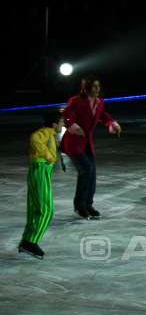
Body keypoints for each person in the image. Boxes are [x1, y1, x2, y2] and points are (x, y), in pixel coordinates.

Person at [60, 76, 122, 219]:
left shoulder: (99, 103)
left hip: (87, 143)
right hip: (73, 142)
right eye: (94, 86)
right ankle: (80, 206)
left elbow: (104, 116)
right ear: (86, 88)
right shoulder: (76, 101)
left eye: (98, 86)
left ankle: (88, 204)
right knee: (86, 170)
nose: (97, 89)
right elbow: (65, 116)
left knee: (92, 172)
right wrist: (74, 127)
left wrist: (112, 124)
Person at [18, 111, 64, 258]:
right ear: (54, 124)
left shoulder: (50, 134)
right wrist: (48, 155)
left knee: (34, 208)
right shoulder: (43, 133)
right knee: (46, 210)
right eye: (62, 122)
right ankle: (30, 242)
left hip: (39, 172)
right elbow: (34, 139)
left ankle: (26, 241)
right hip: (40, 170)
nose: (63, 125)